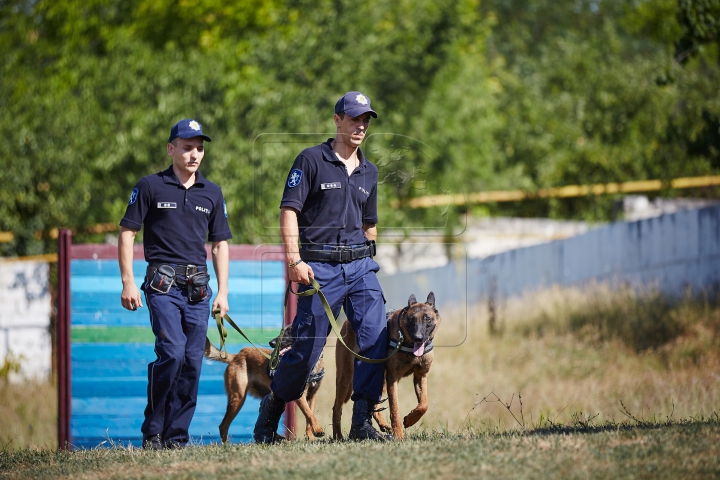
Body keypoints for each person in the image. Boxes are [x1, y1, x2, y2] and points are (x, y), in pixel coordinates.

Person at [254, 91, 390, 443]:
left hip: (360, 266)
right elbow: (289, 212)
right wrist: (294, 260)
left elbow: (370, 223)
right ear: (337, 120)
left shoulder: (369, 171)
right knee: (304, 353)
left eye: (366, 120)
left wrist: (370, 259)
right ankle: (272, 406)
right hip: (319, 270)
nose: (361, 125)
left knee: (375, 336)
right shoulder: (311, 160)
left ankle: (362, 422)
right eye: (355, 118)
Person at [118, 119, 232, 449]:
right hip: (162, 286)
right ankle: (153, 429)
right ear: (171, 149)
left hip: (198, 288)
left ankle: (176, 438)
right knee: (171, 352)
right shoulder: (150, 186)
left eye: (199, 147)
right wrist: (127, 282)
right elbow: (127, 232)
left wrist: (223, 292)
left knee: (193, 361)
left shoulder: (212, 192)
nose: (194, 153)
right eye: (187, 147)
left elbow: (220, 244)